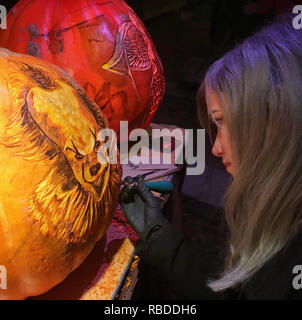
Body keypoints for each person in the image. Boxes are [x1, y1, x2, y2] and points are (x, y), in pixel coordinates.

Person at [119, 13, 302, 299]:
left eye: (224, 123)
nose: (215, 149)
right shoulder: (277, 220)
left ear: (275, 124)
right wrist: (161, 237)